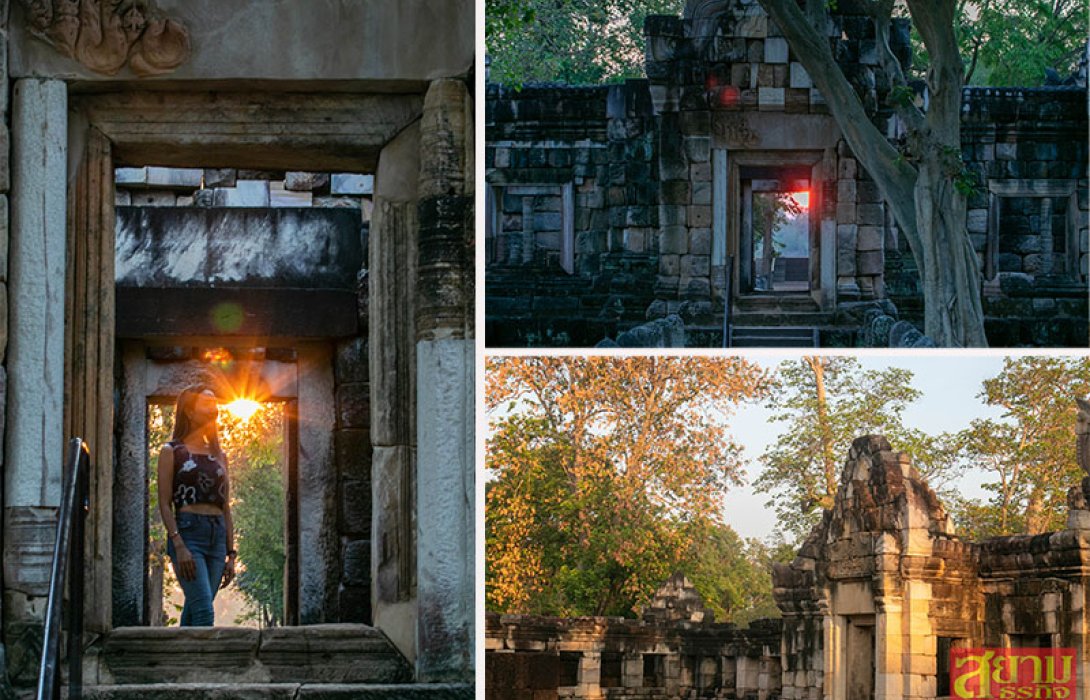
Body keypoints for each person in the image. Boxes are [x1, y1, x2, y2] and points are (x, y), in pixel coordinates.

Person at [156, 385, 236, 626]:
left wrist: (231, 554)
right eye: (207, 403)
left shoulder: (219, 455)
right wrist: (178, 545)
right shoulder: (172, 451)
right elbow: (164, 503)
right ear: (190, 411)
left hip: (217, 536)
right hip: (188, 534)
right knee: (204, 612)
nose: (214, 408)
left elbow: (226, 506)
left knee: (195, 609)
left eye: (215, 403)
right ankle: (205, 664)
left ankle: (180, 661)